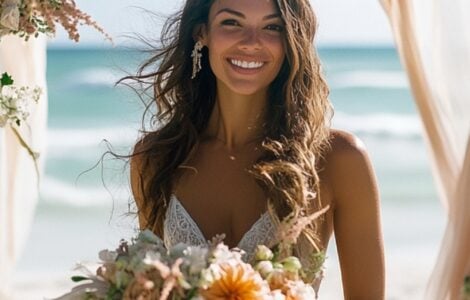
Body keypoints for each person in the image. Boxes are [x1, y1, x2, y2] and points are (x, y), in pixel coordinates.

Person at [127, 0, 385, 298]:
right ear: (202, 33)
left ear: (291, 40)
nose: (251, 43)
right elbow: (149, 288)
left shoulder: (338, 159)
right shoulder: (156, 159)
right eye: (232, 23)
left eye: (272, 27)